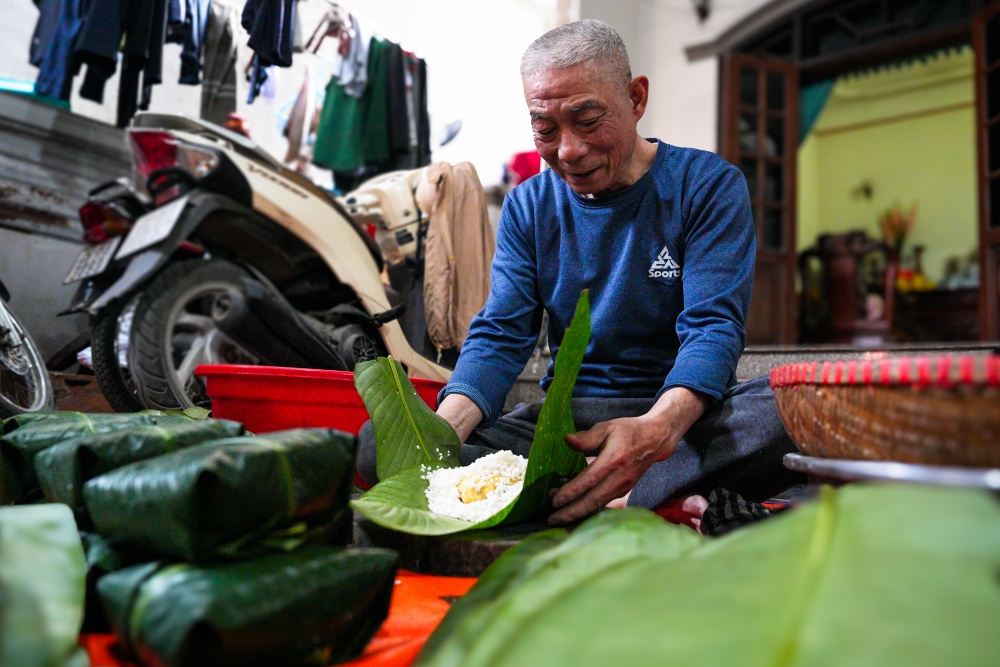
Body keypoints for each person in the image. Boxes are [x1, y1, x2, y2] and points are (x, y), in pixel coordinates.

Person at [357, 19, 800, 526]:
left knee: (790, 407)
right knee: (377, 447)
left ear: (636, 99)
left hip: (675, 419)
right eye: (545, 128)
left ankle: (578, 490)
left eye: (588, 120)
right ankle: (624, 489)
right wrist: (438, 436)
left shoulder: (707, 186)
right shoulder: (529, 206)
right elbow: (500, 335)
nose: (566, 150)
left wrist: (655, 432)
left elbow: (712, 328)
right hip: (565, 428)